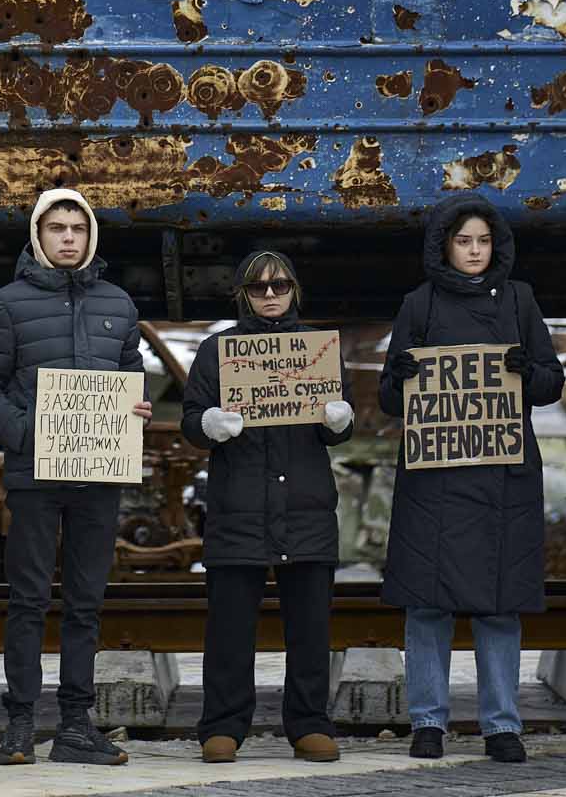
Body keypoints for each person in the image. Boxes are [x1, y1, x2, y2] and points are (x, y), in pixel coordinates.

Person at [378, 195, 564, 764]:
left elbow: (552, 381)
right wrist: (403, 376)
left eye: (483, 241)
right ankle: (428, 721)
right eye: (464, 241)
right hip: (435, 478)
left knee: (499, 605)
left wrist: (525, 373)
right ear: (445, 246)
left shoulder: (519, 298)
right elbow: (388, 397)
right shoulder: (418, 303)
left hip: (502, 479)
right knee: (427, 605)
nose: (475, 251)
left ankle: (502, 725)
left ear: (496, 245)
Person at [0, 188, 150, 767]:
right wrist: (27, 433)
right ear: (37, 235)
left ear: (91, 236)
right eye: (56, 228)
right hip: (33, 475)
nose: (68, 237)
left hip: (100, 475)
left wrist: (135, 409)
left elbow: (130, 377)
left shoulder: (119, 305)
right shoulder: (4, 305)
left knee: (86, 603)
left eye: (77, 227)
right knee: (27, 600)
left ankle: (76, 724)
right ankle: (20, 722)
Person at [180, 250, 354, 765]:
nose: (271, 295)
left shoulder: (317, 351)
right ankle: (223, 726)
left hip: (305, 509)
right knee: (230, 629)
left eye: (280, 286)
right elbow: (192, 420)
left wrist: (339, 420)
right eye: (259, 288)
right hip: (239, 510)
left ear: (294, 290)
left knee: (310, 629)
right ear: (244, 295)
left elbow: (335, 431)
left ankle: (309, 725)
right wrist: (208, 424)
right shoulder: (216, 351)